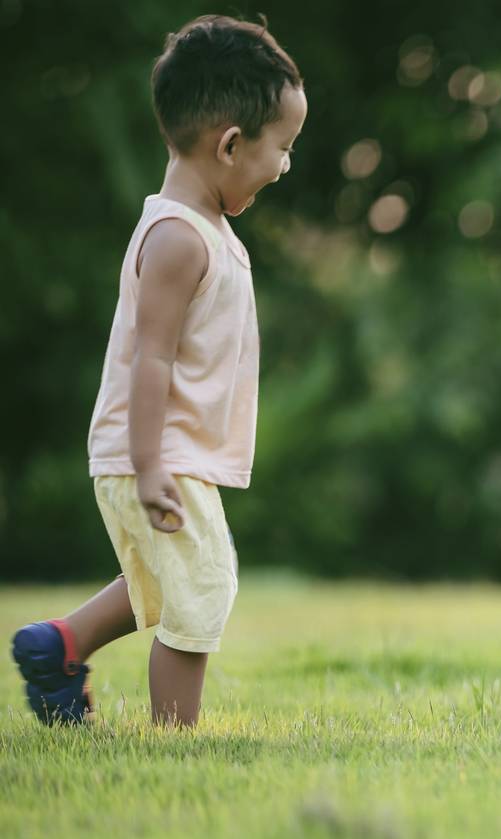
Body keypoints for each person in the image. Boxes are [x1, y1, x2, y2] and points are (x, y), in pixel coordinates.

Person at [9, 16, 307, 727]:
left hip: (165, 452)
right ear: (230, 144)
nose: (286, 165)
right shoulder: (178, 237)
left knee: (158, 584)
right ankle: (175, 736)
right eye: (283, 148)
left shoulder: (206, 229)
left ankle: (59, 645)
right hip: (154, 452)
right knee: (204, 587)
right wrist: (149, 466)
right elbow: (152, 358)